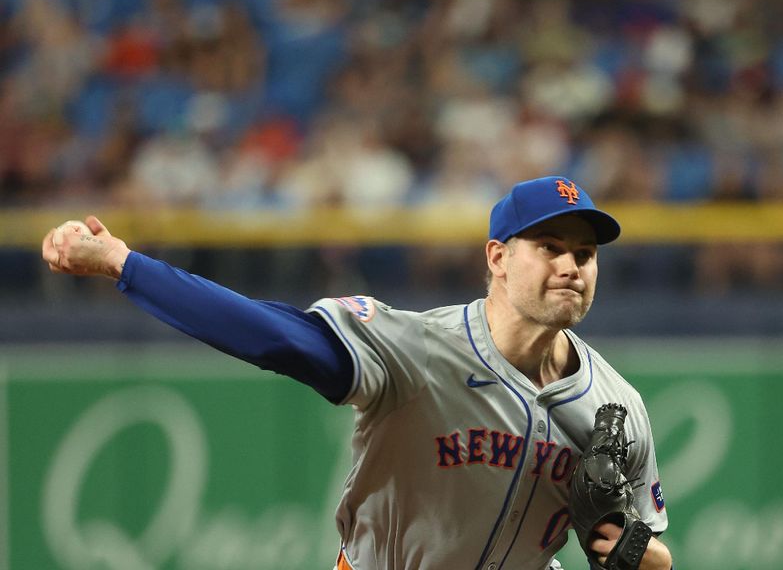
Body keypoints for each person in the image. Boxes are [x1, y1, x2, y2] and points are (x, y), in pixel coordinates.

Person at [42, 176, 673, 570]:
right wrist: (123, 263)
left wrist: (641, 559)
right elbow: (271, 336)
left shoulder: (616, 406)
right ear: (499, 259)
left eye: (585, 254)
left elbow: (644, 553)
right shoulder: (418, 348)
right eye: (551, 248)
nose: (572, 265)